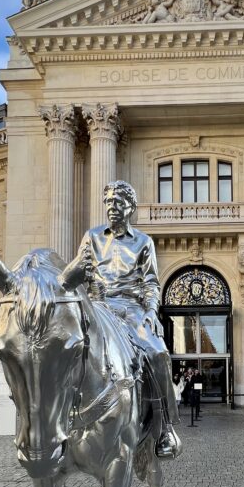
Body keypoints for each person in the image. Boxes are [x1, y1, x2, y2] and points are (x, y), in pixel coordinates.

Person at [61, 180, 180, 459]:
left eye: (118, 203)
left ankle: (165, 428)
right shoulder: (91, 238)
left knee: (158, 354)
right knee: (63, 349)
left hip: (131, 309)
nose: (112, 208)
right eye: (108, 203)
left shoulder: (143, 242)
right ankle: (57, 423)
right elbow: (70, 278)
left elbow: (151, 283)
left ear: (131, 208)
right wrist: (76, 270)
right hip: (97, 308)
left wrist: (151, 312)